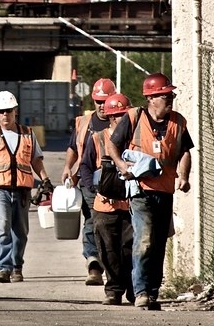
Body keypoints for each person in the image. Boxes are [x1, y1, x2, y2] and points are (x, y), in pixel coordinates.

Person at [106, 73, 193, 311]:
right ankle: (141, 291)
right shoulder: (133, 118)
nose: (171, 98)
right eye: (166, 95)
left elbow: (185, 151)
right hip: (140, 190)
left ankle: (152, 292)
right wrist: (122, 165)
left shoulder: (178, 122)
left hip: (165, 191)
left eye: (171, 94)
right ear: (152, 98)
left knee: (157, 244)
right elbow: (112, 144)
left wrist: (183, 177)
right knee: (144, 241)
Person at [0, 90, 54, 284]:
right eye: (1, 111)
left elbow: (36, 160)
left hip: (22, 191)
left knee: (21, 231)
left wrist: (46, 180)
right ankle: (4, 268)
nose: (5, 115)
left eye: (8, 110)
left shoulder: (28, 134)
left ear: (15, 111)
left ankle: (17, 266)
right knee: (2, 227)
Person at [80, 92, 134, 306]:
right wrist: (93, 187)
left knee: (130, 248)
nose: (123, 119)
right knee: (108, 249)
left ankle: (132, 288)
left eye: (125, 114)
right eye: (118, 115)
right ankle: (113, 291)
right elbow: (85, 165)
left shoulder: (135, 139)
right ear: (111, 118)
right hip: (104, 205)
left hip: (131, 204)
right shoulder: (98, 139)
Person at [63, 77, 116, 286]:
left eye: (105, 100)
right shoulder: (83, 122)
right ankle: (94, 263)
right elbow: (73, 148)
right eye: (98, 101)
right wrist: (68, 167)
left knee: (111, 225)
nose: (102, 106)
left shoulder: (121, 119)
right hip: (88, 181)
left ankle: (110, 264)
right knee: (92, 221)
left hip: (115, 183)